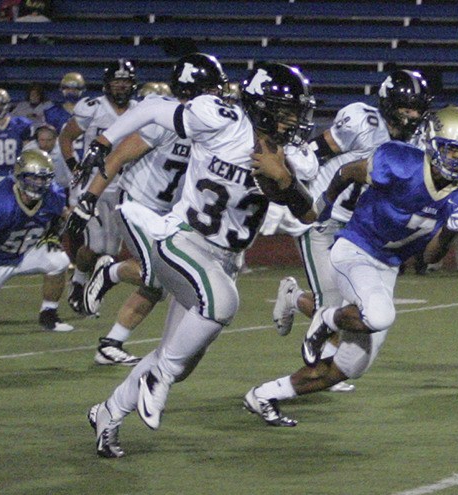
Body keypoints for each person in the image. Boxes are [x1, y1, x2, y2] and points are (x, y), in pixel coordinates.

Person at [83, 59, 317, 457]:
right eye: (285, 112)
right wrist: (106, 140)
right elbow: (154, 107)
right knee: (222, 304)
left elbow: (310, 215)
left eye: (296, 112)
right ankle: (160, 377)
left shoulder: (290, 153)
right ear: (261, 106)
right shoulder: (223, 119)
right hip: (182, 240)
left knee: (181, 357)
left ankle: (108, 411)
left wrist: (285, 180)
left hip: (224, 259)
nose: (292, 121)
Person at [244, 106, 458, 427]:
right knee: (380, 315)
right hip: (356, 249)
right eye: (451, 149)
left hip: (388, 265)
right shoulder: (400, 162)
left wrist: (449, 231)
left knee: (351, 364)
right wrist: (321, 207)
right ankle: (326, 318)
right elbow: (348, 171)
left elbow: (430, 258)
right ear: (432, 143)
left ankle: (264, 395)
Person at [270, 69, 432, 393]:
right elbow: (315, 153)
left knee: (350, 309)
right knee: (328, 303)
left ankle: (295, 303)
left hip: (359, 227)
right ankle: (315, 362)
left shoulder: (418, 141)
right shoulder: (363, 121)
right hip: (324, 216)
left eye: (417, 108)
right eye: (406, 108)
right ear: (390, 105)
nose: (413, 116)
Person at [65, 54, 219, 366]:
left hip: (168, 213)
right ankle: (109, 272)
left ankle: (111, 343)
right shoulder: (166, 120)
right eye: (211, 89)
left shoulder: (209, 127)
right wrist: (88, 201)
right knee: (155, 274)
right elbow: (117, 157)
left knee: (160, 286)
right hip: (137, 203)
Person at [58, 60, 138, 314]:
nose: (122, 86)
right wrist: (75, 166)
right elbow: (66, 137)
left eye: (125, 81)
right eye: (117, 81)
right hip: (94, 184)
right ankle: (80, 286)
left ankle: (89, 287)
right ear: (108, 84)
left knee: (110, 251)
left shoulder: (139, 110)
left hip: (123, 186)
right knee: (95, 246)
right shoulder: (93, 108)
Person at [0, 149, 73, 331]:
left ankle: (48, 315)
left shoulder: (54, 194)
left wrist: (55, 232)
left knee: (58, 260)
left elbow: (62, 216)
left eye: (43, 179)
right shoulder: (1, 202)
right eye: (33, 178)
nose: (39, 184)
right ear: (20, 175)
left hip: (25, 253)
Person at [0, 88, 33, 191]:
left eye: (0, 104)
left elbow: (28, 152)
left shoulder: (21, 124)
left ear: (7, 105)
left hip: (17, 175)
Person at [23, 123, 71, 188]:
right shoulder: (29, 150)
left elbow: (71, 173)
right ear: (37, 140)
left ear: (55, 139)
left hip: (62, 188)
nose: (45, 144)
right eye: (42, 140)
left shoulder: (65, 149)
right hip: (36, 187)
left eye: (49, 140)